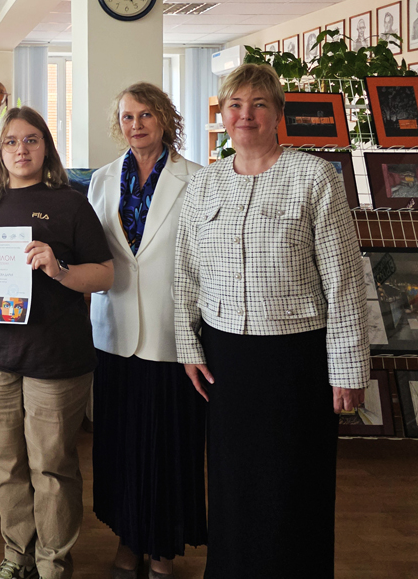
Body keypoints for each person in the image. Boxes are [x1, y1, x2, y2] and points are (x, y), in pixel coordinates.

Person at [173, 63, 370, 579]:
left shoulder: (314, 177)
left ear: (278, 113)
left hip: (295, 359)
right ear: (222, 115)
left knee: (293, 481)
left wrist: (348, 370)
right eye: (235, 105)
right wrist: (188, 347)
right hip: (226, 361)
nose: (246, 115)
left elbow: (344, 280)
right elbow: (186, 273)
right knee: (234, 481)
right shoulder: (204, 184)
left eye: (259, 104)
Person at [0, 106, 114, 579]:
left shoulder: (70, 203)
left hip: (56, 356)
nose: (20, 149)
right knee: (6, 464)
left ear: (46, 147)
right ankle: (17, 556)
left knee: (52, 466)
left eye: (31, 140)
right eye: (10, 141)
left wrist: (59, 269)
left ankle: (52, 564)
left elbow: (105, 275)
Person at [87, 83, 206, 579]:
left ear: (164, 118)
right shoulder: (101, 180)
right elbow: (92, 250)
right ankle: (128, 540)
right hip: (113, 333)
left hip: (171, 331)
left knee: (167, 447)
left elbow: (204, 258)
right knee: (121, 446)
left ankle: (161, 550)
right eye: (127, 116)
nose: (136, 124)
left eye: (145, 115)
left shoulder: (196, 179)